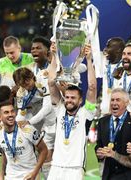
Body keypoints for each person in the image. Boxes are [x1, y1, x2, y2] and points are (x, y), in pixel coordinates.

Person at [47, 44, 96, 179]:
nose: (69, 100)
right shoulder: (60, 109)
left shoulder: (87, 114)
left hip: (75, 168)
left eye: (73, 98)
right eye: (67, 97)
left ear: (80, 101)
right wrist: (54, 56)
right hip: (56, 166)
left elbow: (92, 87)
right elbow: (51, 82)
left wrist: (89, 59)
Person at [95, 88, 131, 180]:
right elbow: (99, 144)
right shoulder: (102, 122)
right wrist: (99, 152)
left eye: (118, 100)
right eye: (112, 100)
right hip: (110, 175)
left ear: (126, 103)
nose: (114, 103)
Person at [13, 67, 56, 178]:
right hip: (38, 123)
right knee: (44, 156)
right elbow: (21, 113)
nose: (26, 84)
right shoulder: (21, 92)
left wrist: (29, 122)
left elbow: (48, 107)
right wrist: (16, 124)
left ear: (31, 76)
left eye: (27, 80)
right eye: (22, 84)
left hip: (53, 119)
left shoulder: (42, 80)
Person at [0, 100, 48, 180]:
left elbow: (44, 150)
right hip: (11, 175)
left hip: (29, 174)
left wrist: (35, 173)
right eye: (6, 112)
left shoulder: (27, 129)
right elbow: (5, 153)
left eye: (12, 111)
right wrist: (2, 174)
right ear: (0, 116)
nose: (10, 114)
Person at [101, 37, 125, 116]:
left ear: (118, 50)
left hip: (121, 112)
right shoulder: (104, 62)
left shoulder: (126, 67)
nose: (105, 49)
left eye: (108, 46)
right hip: (105, 112)